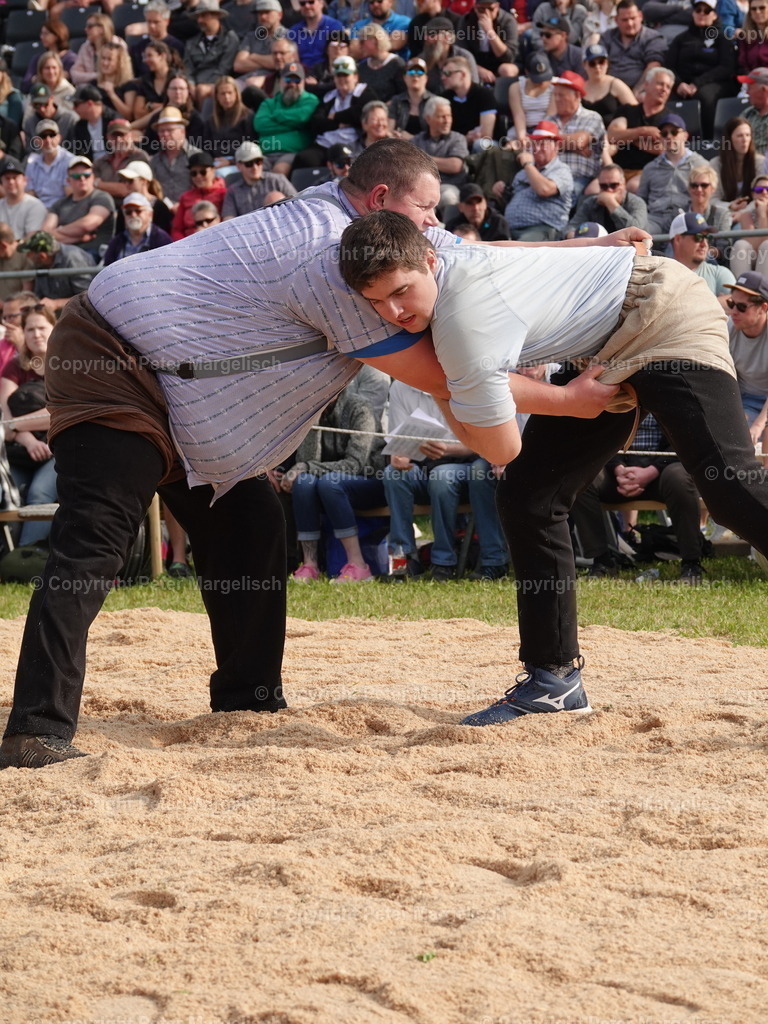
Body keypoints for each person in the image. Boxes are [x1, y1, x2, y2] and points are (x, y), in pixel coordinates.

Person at [0, 140, 471, 770]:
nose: (435, 224)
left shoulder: (359, 231)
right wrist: (568, 400)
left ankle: (248, 704)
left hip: (188, 392)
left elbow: (470, 258)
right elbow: (437, 374)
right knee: (96, 540)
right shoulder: (330, 251)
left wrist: (582, 249)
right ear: (381, 199)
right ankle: (35, 730)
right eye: (428, 209)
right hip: (112, 358)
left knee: (250, 523)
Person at [337, 209, 768, 727]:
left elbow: (498, 448)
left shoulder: (464, 324)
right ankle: (554, 680)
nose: (393, 311)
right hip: (601, 341)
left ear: (430, 261)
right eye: (376, 302)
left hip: (664, 311)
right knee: (530, 495)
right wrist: (588, 248)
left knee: (731, 488)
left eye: (401, 291)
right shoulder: (443, 256)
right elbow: (505, 248)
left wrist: (558, 398)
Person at [382, 378, 509, 581]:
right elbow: (397, 441)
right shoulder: (400, 386)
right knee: (392, 473)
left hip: (465, 466)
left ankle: (443, 562)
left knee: (442, 475)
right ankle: (403, 561)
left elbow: (486, 442)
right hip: (422, 466)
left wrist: (447, 449)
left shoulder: (465, 380)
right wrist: (398, 455)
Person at [570, 413, 706, 581]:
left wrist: (651, 471)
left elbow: (684, 439)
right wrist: (618, 468)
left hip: (662, 471)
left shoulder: (670, 393)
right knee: (580, 478)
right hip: (618, 472)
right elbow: (601, 436)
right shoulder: (616, 392)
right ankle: (602, 561)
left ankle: (691, 563)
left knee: (680, 479)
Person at [284, 387, 386, 582]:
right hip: (328, 484)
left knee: (328, 483)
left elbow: (356, 464)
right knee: (304, 482)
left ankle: (358, 565)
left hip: (369, 480)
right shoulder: (310, 410)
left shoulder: (360, 408)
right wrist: (314, 417)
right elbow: (307, 461)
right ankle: (310, 565)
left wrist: (306, 466)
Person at [0, 305, 58, 546]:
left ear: (54, 329)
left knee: (39, 493)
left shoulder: (67, 365)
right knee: (7, 492)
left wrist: (17, 426)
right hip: (21, 450)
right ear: (23, 333)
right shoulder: (14, 367)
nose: (36, 334)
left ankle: (25, 560)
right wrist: (29, 439)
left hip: (59, 449)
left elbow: (60, 414)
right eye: (30, 329)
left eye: (42, 328)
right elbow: (4, 419)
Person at [664, 0, 737, 139]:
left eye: (707, 11)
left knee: (704, 96)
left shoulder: (722, 39)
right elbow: (669, 66)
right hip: (684, 84)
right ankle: (671, 141)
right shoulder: (680, 39)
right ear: (693, 13)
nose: (702, 14)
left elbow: (726, 68)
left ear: (715, 15)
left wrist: (697, 83)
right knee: (665, 97)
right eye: (698, 10)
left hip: (715, 83)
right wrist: (679, 84)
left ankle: (709, 141)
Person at [500, 119, 574, 239]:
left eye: (543, 144)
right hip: (512, 230)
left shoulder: (562, 170)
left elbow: (544, 190)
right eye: (535, 143)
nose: (537, 148)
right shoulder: (522, 173)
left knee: (519, 249)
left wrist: (528, 164)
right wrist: (501, 192)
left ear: (556, 146)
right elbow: (511, 200)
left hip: (543, 230)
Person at [636, 112, 706, 234]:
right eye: (664, 133)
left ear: (685, 135)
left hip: (686, 217)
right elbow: (640, 200)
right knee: (638, 233)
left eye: (674, 132)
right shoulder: (650, 168)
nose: (669, 137)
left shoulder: (700, 165)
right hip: (655, 220)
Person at [606, 65, 673, 185]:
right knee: (592, 190)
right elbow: (612, 136)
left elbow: (663, 149)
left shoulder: (670, 119)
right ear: (646, 85)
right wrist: (644, 131)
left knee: (634, 186)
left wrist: (629, 138)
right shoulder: (627, 111)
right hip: (618, 171)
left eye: (668, 87)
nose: (664, 89)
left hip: (648, 173)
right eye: (660, 84)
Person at [41, 157, 116, 259]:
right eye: (77, 176)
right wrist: (80, 237)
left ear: (93, 177)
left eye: (86, 175)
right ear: (68, 180)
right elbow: (45, 234)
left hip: (93, 255)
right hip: (61, 254)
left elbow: (87, 225)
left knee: (71, 255)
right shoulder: (59, 204)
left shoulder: (102, 197)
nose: (82, 179)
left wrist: (58, 232)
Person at [253, 62, 320, 176]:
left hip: (292, 153)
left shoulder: (311, 100)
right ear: (280, 81)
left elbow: (302, 118)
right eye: (288, 80)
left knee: (279, 172)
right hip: (265, 153)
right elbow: (260, 125)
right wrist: (292, 124)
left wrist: (277, 115)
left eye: (297, 81)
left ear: (303, 82)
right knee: (251, 172)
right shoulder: (269, 102)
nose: (292, 84)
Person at [550, 70, 606, 196]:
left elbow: (579, 141)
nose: (557, 99)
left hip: (578, 178)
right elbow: (536, 144)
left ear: (576, 96)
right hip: (548, 176)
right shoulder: (549, 120)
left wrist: (552, 142)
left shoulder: (591, 117)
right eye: (555, 95)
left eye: (561, 95)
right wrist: (572, 145)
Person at [725, 271, 768, 433]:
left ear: (763, 308)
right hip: (745, 401)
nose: (734, 312)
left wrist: (759, 424)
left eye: (742, 307)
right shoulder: (728, 328)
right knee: (732, 433)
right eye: (731, 304)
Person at [669, 210, 735, 310]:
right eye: (698, 237)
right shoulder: (663, 275)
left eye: (707, 237)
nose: (704, 244)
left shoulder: (719, 273)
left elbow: (736, 303)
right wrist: (717, 302)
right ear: (678, 239)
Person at [411, 96, 468, 209]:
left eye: (449, 116)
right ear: (428, 119)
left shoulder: (458, 138)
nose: (447, 121)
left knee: (448, 197)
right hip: (421, 188)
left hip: (449, 186)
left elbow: (455, 165)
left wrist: (423, 159)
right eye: (442, 117)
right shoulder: (416, 141)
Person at [17, 231, 95, 313]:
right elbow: (39, 294)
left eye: (29, 254)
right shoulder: (39, 263)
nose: (27, 257)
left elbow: (85, 297)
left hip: (80, 315)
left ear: (42, 256)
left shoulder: (73, 259)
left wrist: (56, 303)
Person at [599, 0, 667, 93]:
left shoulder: (653, 38)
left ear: (640, 16)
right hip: (610, 90)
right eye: (625, 20)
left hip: (641, 91)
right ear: (616, 20)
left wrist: (637, 91)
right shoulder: (607, 37)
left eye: (633, 18)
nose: (630, 23)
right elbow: (598, 64)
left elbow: (654, 66)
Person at [183, 0, 240, 106]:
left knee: (202, 91)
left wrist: (201, 85)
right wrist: (190, 84)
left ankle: (204, 121)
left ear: (216, 16)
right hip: (194, 85)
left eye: (204, 16)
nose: (200, 20)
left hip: (220, 83)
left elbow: (224, 69)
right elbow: (187, 68)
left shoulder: (229, 39)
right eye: (198, 17)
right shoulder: (191, 43)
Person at [566, 163, 648, 235]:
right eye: (604, 186)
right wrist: (578, 237)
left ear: (623, 184)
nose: (609, 190)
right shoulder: (591, 203)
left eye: (614, 185)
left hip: (630, 249)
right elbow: (570, 228)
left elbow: (636, 230)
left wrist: (611, 203)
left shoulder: (637, 202)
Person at [221, 140, 296, 218]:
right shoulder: (233, 191)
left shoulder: (278, 180)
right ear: (239, 166)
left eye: (258, 161)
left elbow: (298, 203)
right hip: (248, 228)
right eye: (249, 163)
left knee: (274, 197)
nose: (255, 167)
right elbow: (228, 219)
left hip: (281, 224)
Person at [149, 105, 203, 208]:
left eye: (169, 130)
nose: (165, 134)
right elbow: (153, 190)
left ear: (182, 132)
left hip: (192, 209)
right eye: (161, 131)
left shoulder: (196, 156)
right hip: (162, 211)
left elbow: (204, 190)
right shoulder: (154, 161)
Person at [439, 56, 497, 149]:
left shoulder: (484, 95)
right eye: (442, 74)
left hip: (482, 148)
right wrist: (464, 139)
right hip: (455, 145)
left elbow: (486, 135)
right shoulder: (444, 98)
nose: (443, 78)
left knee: (480, 144)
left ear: (462, 75)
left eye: (447, 73)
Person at [456, 0, 519, 85]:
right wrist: (477, 68)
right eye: (481, 9)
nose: (486, 13)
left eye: (490, 9)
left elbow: (508, 57)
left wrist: (490, 31)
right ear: (475, 8)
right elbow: (461, 52)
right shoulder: (466, 20)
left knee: (506, 70)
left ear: (497, 7)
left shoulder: (508, 21)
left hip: (500, 62)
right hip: (476, 62)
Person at [710, 117, 766, 211]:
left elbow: (763, 196)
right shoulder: (716, 164)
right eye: (739, 136)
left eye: (748, 135)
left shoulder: (760, 162)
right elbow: (711, 199)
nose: (745, 140)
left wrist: (742, 214)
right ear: (729, 139)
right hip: (724, 214)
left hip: (753, 213)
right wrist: (729, 206)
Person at [102, 192, 172, 264]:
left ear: (150, 214)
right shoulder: (116, 242)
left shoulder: (162, 239)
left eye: (138, 211)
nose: (133, 215)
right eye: (128, 212)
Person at [170, 150, 226, 239]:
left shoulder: (224, 194)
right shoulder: (185, 197)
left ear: (213, 171)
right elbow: (177, 229)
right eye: (194, 173)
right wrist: (184, 245)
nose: (198, 176)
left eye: (203, 172)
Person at [92, 119, 150, 202]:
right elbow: (90, 186)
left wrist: (98, 184)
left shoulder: (140, 157)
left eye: (122, 135)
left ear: (130, 135)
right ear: (108, 138)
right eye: (114, 136)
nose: (118, 140)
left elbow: (125, 190)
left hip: (132, 207)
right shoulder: (100, 162)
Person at [233, 0, 288, 87]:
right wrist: (268, 62)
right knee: (221, 88)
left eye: (267, 12)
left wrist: (253, 56)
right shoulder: (251, 36)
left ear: (279, 15)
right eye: (260, 13)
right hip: (246, 78)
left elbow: (282, 63)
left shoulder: (288, 36)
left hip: (273, 80)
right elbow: (238, 65)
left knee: (252, 84)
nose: (263, 17)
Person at [202, 75, 254, 166]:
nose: (226, 97)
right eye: (222, 93)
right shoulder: (211, 121)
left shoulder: (247, 116)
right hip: (215, 162)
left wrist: (231, 161)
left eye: (230, 93)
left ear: (236, 94)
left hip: (240, 162)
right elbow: (206, 147)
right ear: (217, 96)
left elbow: (251, 146)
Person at [581, 42, 636, 128]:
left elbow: (635, 111)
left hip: (613, 137)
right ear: (584, 65)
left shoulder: (616, 85)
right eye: (592, 63)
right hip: (585, 135)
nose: (597, 67)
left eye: (601, 62)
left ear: (607, 64)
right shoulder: (580, 87)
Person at [23, 120, 72, 210]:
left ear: (59, 138)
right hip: (37, 210)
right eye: (43, 136)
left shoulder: (70, 161)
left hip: (62, 209)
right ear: (37, 141)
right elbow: (29, 195)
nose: (48, 140)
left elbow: (70, 196)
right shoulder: (32, 163)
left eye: (52, 135)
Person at [354, 23, 405, 102]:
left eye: (362, 41)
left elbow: (403, 94)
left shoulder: (397, 65)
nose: (360, 46)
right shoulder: (362, 67)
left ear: (374, 40)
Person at [729, 173, 768, 276]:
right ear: (753, 194)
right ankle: (742, 288)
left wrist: (763, 214)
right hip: (755, 256)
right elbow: (751, 244)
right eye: (759, 190)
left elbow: (764, 243)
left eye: (767, 189)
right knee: (740, 245)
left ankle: (763, 290)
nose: (764, 193)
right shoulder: (746, 215)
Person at [388, 57, 435, 141]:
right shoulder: (397, 101)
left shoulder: (434, 102)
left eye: (420, 72)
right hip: (401, 146)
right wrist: (394, 135)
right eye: (411, 72)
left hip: (428, 149)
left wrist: (414, 139)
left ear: (426, 78)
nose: (415, 76)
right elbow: (390, 130)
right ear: (405, 78)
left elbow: (436, 135)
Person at [286, 0, 344, 68]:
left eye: (311, 2)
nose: (307, 6)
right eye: (302, 3)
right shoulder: (294, 31)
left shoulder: (335, 26)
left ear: (321, 3)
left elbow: (338, 55)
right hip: (301, 73)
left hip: (326, 72)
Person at [445, 182, 511, 240]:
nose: (476, 208)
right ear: (460, 207)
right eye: (469, 203)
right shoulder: (452, 227)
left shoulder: (498, 223)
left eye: (479, 202)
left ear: (485, 203)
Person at [0, 159, 47, 239]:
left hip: (23, 250)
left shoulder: (35, 206)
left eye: (15, 178)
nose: (11, 182)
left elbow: (31, 239)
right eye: (7, 178)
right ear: (1, 183)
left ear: (25, 181)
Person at [739, 67, 768, 156]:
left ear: (764, 89)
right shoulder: (747, 113)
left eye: (750, 88)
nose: (747, 92)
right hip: (747, 162)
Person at [0, 226, 32, 303]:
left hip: (16, 310)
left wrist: (7, 306)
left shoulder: (26, 255)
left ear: (3, 245)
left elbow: (26, 292)